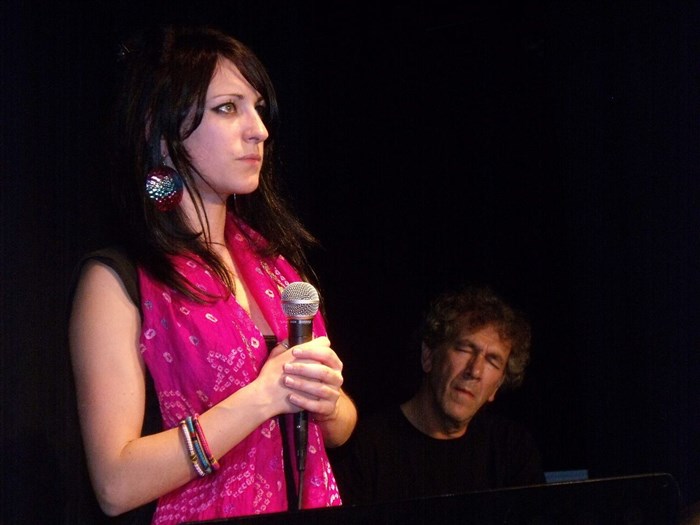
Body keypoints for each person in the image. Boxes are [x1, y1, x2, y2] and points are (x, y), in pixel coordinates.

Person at [68, 24, 357, 525]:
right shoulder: (116, 281)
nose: (258, 129)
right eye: (228, 108)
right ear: (160, 132)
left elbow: (341, 426)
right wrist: (261, 399)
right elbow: (115, 484)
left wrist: (327, 402)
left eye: (257, 108)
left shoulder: (274, 267)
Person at [328, 284, 544, 506]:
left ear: (497, 385)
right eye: (465, 349)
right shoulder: (367, 447)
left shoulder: (513, 450)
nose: (475, 371)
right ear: (428, 356)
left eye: (492, 361)